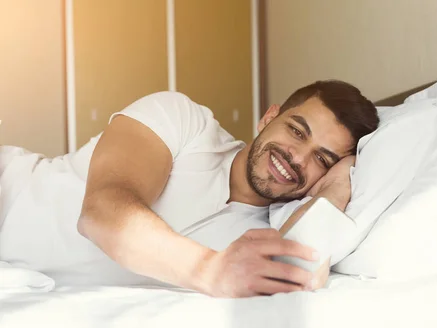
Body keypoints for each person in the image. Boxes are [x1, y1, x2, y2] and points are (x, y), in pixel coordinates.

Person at [0, 80, 379, 298]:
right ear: (269, 117)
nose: (297, 158)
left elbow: (298, 277)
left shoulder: (261, 240)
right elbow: (103, 211)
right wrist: (209, 269)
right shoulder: (184, 120)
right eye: (297, 131)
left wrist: (336, 186)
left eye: (322, 159)